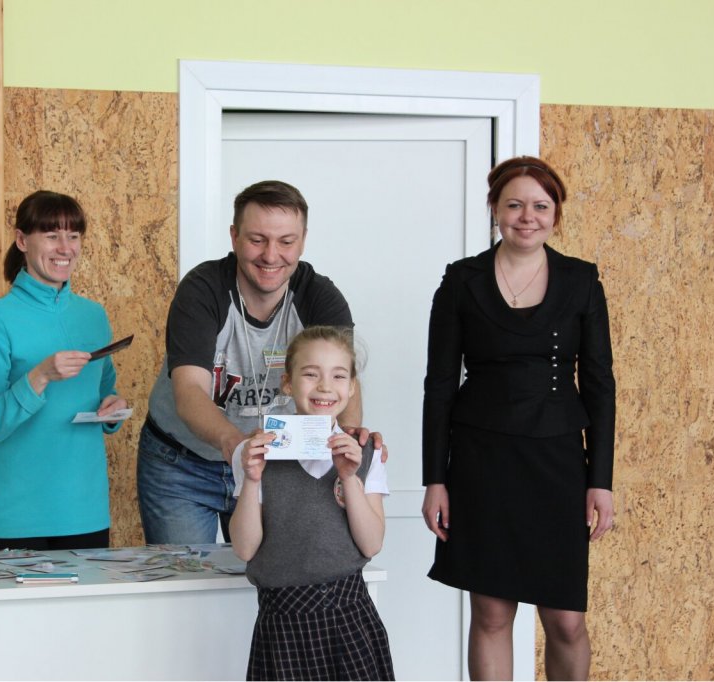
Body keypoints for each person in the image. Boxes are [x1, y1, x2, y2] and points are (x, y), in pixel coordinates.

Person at [421, 156, 616, 681]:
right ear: (495, 209)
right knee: (491, 613)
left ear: (556, 213)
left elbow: (599, 385)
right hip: (482, 463)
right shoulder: (461, 280)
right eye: (514, 205)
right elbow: (440, 385)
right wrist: (435, 479)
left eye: (540, 206)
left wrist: (600, 481)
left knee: (567, 621)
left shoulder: (581, 280)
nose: (527, 217)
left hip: (558, 463)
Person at [138, 179, 381, 544]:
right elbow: (189, 392)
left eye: (286, 241)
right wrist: (237, 447)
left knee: (269, 570)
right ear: (234, 236)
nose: (271, 255)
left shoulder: (320, 297)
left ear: (303, 240)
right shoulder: (202, 290)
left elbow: (344, 382)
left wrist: (347, 439)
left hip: (275, 463)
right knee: (185, 573)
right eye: (257, 240)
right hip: (182, 463)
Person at [0, 190, 128, 552]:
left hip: (86, 512)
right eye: (52, 235)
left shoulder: (93, 316)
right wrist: (38, 377)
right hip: (16, 516)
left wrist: (113, 408)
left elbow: (106, 391)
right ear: (22, 241)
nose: (65, 248)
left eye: (74, 236)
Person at [230, 325, 394, 681]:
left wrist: (349, 477)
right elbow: (244, 548)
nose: (324, 386)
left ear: (352, 387)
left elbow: (371, 544)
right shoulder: (253, 452)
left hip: (350, 619)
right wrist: (253, 478)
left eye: (338, 376)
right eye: (310, 374)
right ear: (288, 383)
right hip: (281, 624)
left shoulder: (366, 452)